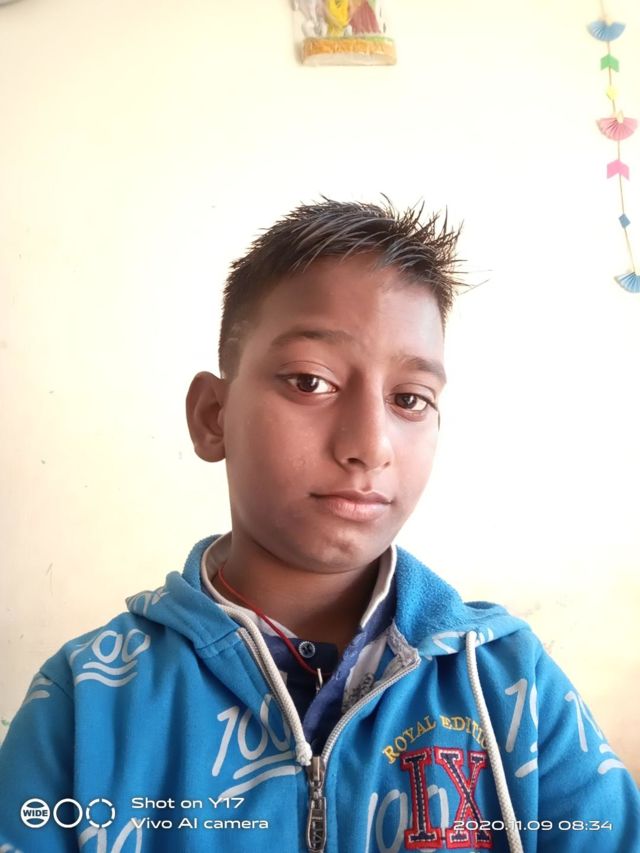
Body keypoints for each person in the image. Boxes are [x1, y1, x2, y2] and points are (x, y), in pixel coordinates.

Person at [0, 200, 638, 853]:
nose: (370, 445)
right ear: (213, 416)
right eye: (310, 381)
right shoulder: (86, 701)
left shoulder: (511, 687)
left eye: (410, 399)